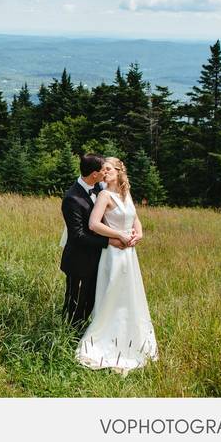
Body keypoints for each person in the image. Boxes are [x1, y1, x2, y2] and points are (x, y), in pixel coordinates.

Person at [76, 157, 158, 374]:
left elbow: (134, 217)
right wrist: (119, 234)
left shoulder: (125, 193)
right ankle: (105, 343)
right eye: (102, 170)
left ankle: (132, 340)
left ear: (120, 171)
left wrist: (138, 233)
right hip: (113, 253)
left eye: (109, 169)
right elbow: (94, 225)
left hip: (129, 255)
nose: (104, 172)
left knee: (129, 296)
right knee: (113, 296)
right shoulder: (104, 195)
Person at [59, 154, 127, 328]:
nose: (106, 172)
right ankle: (68, 335)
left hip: (99, 258)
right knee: (75, 302)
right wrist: (109, 241)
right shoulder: (72, 198)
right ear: (95, 174)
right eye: (103, 170)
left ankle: (83, 332)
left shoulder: (99, 188)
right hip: (79, 260)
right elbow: (77, 236)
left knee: (90, 300)